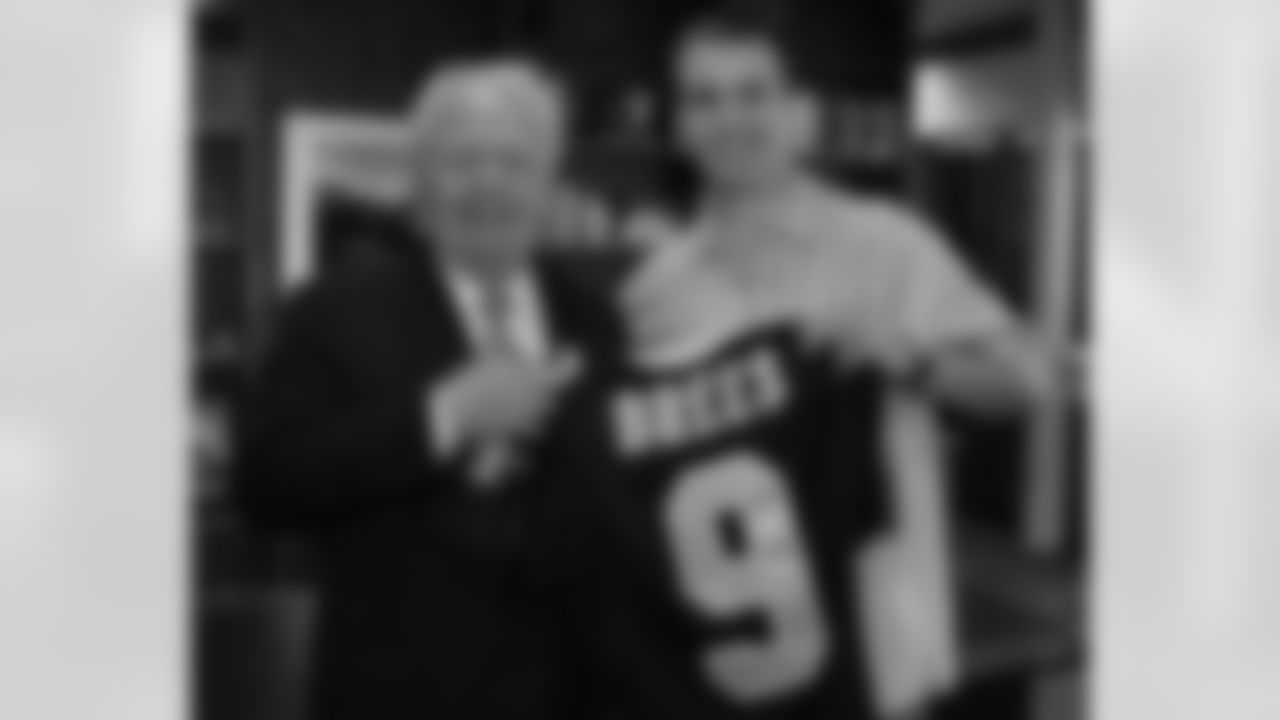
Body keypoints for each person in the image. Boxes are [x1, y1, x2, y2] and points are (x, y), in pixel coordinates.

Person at [616, 7, 1069, 718]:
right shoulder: (653, 291)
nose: (731, 118)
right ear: (679, 126)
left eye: (753, 93)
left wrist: (910, 362)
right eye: (704, 99)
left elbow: (1028, 381)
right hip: (722, 656)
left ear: (798, 113)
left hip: (876, 647)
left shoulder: (885, 244)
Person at [234, 60, 618, 720]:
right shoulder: (331, 312)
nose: (489, 183)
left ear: (550, 184)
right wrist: (443, 416)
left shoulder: (598, 319)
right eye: (462, 161)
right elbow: (264, 484)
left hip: (570, 695)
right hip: (396, 697)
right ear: (419, 182)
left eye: (515, 162)